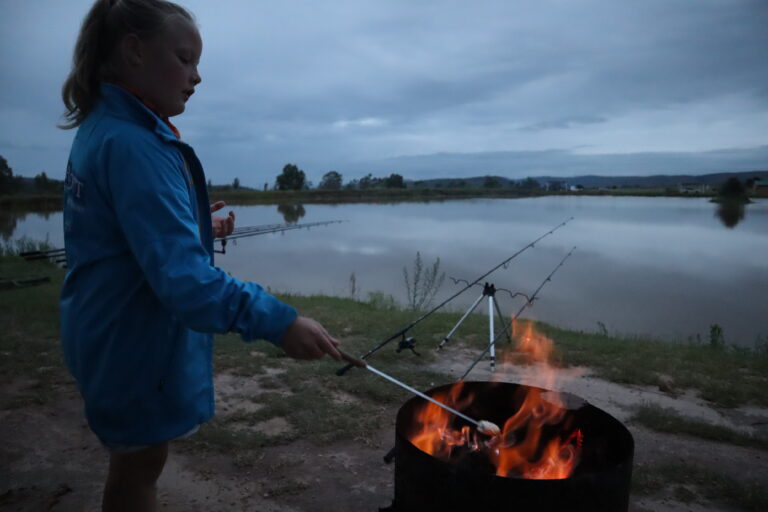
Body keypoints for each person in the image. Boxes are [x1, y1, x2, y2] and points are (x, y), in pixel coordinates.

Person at [58, 1, 342, 510]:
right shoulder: (136, 145)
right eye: (184, 58)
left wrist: (192, 225)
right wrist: (280, 323)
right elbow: (187, 284)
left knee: (133, 466)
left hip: (106, 329)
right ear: (134, 51)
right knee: (139, 473)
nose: (197, 76)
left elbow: (119, 234)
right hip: (132, 342)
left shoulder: (104, 128)